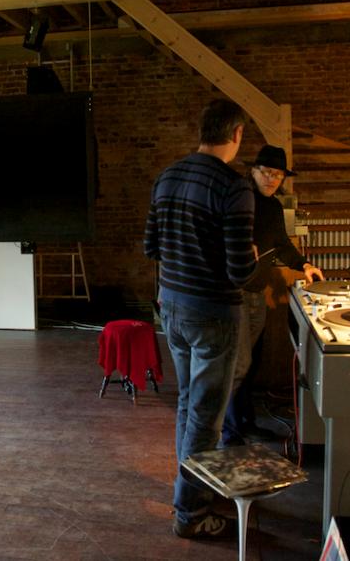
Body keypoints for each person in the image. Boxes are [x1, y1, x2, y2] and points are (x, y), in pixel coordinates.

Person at [144, 99, 258, 539]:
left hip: (171, 307)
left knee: (189, 404)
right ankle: (190, 513)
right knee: (207, 416)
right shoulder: (234, 186)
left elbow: (151, 246)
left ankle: (190, 486)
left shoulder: (167, 176)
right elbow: (240, 272)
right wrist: (252, 256)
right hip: (213, 313)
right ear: (237, 134)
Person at [221, 145, 324, 446]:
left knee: (250, 363)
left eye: (277, 175)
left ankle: (245, 422)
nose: (271, 179)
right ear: (253, 171)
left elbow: (281, 244)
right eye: (266, 172)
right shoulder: (240, 199)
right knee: (238, 364)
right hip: (234, 292)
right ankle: (229, 432)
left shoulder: (275, 207)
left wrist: (304, 265)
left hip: (257, 292)